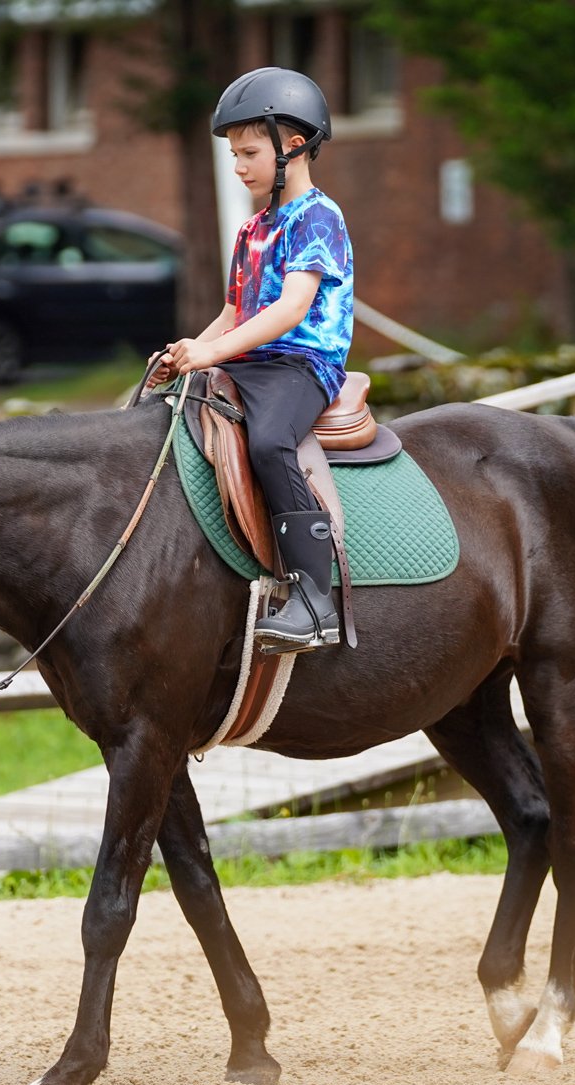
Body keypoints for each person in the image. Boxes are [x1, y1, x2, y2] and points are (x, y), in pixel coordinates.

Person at [148, 67, 354, 652]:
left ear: (293, 146)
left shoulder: (318, 217)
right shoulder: (252, 229)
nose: (237, 165)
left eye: (249, 152)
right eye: (234, 154)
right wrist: (187, 352)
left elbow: (291, 309)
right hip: (248, 359)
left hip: (300, 364)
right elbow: (235, 313)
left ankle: (315, 599)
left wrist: (214, 350)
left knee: (268, 441)